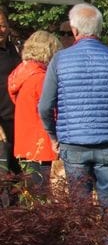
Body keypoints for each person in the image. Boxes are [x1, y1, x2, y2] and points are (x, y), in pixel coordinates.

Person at [38, 3, 108, 210]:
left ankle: (84, 243)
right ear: (100, 29)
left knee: (80, 206)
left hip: (73, 143)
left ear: (74, 30)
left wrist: (52, 136)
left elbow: (45, 106)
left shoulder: (59, 60)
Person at [8, 30, 61, 189]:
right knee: (42, 195)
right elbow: (51, 110)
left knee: (31, 193)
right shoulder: (41, 78)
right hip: (42, 144)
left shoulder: (20, 74)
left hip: (25, 144)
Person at [0, 8, 22, 175]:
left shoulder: (14, 49)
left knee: (16, 174)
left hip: (16, 119)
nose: (1, 30)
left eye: (2, 25)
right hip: (1, 123)